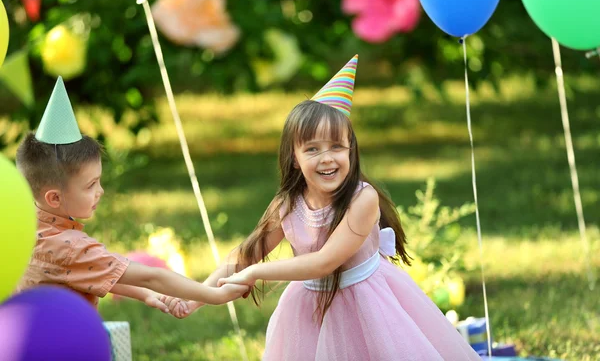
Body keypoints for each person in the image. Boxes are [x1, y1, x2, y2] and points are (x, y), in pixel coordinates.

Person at [203, 55, 481, 360]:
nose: (326, 158)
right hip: (309, 310)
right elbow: (246, 254)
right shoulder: (286, 204)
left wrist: (255, 272)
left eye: (337, 146)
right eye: (312, 149)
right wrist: (196, 296)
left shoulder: (363, 199)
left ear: (351, 150)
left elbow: (324, 262)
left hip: (369, 308)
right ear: (294, 157)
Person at [15, 77, 248, 317]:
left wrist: (144, 294)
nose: (100, 191)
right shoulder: (71, 248)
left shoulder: (24, 229)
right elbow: (151, 275)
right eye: (91, 185)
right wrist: (214, 295)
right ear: (54, 198)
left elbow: (85, 272)